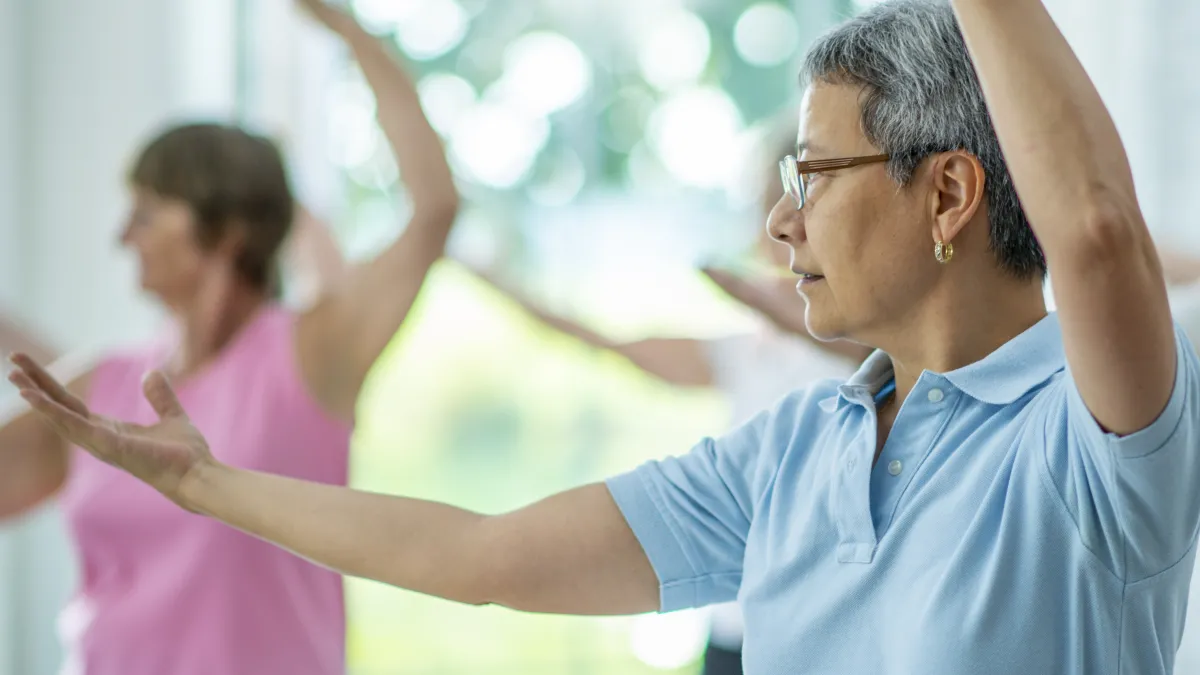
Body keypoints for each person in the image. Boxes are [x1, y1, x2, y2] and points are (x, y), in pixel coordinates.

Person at [11, 0, 1200, 673]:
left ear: (946, 197)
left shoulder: (1090, 440)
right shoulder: (791, 454)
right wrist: (210, 484)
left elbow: (1095, 230)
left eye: (815, 172)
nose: (779, 221)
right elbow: (477, 556)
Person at [0, 0, 457, 673]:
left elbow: (434, 208)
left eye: (148, 212)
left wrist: (347, 29)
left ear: (224, 232)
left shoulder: (312, 352)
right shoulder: (103, 381)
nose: (124, 237)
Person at [463, 129, 872, 674]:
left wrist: (770, 304)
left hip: (829, 641)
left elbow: (848, 345)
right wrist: (495, 281)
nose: (771, 227)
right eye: (761, 207)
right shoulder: (742, 355)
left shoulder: (875, 352)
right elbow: (605, 340)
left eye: (796, 203)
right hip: (737, 633)